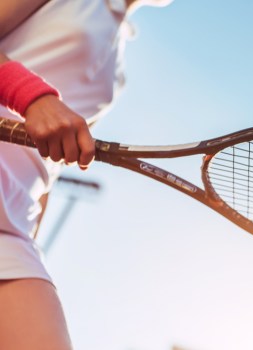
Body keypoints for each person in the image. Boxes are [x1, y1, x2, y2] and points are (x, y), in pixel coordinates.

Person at [0, 0, 173, 349]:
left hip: (13, 223)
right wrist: (32, 96)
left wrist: (35, 234)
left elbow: (53, 162)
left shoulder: (117, 70)